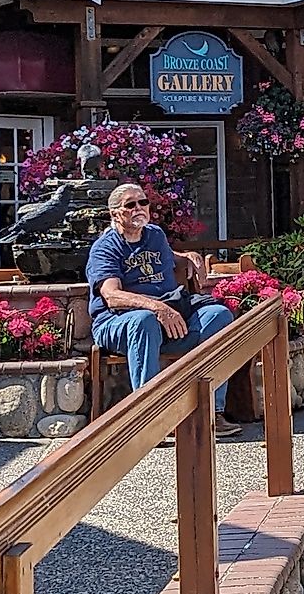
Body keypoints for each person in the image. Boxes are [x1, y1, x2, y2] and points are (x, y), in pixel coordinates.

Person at [87, 182, 239, 432]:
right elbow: (112, 296)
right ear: (115, 214)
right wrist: (158, 308)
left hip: (166, 320)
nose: (139, 208)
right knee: (143, 321)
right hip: (117, 323)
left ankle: (213, 412)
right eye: (130, 204)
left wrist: (187, 256)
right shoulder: (105, 248)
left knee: (219, 315)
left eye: (143, 202)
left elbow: (169, 256)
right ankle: (149, 420)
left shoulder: (154, 235)